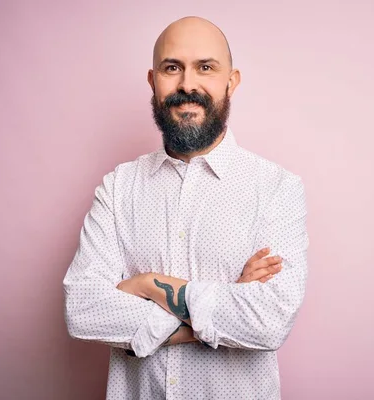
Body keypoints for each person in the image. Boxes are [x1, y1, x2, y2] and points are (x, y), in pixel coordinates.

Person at [63, 16, 309, 400]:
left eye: (205, 68)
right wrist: (225, 306)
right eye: (172, 68)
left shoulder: (277, 189)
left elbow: (268, 321)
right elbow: (83, 310)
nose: (187, 84)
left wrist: (146, 286)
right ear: (153, 81)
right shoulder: (118, 187)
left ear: (232, 81)